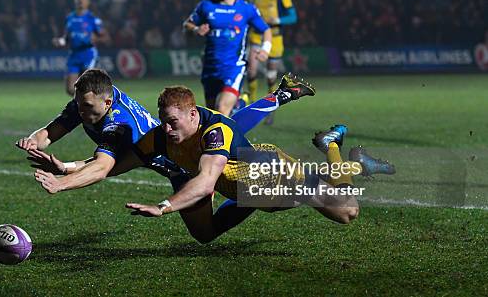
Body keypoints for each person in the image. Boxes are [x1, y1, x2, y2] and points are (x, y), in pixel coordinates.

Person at [125, 86, 395, 244]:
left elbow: (209, 175)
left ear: (193, 114)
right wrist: (89, 165)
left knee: (348, 211)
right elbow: (240, 121)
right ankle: (353, 163)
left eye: (173, 121)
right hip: (254, 183)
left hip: (278, 176)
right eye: (164, 121)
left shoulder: (214, 130)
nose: (167, 128)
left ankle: (332, 146)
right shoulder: (177, 133)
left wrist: (164, 206)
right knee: (212, 224)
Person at [23, 70, 316, 194]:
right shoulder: (92, 100)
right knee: (231, 126)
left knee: (210, 219)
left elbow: (103, 168)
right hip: (168, 152)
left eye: (85, 106)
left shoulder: (118, 124)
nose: (80, 111)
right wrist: (43, 149)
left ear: (107, 101)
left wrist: (63, 180)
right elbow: (52, 133)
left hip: (180, 160)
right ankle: (282, 95)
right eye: (78, 104)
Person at [183, 0, 273, 116]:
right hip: (210, 67)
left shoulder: (246, 9)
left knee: (222, 109)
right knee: (212, 116)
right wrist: (196, 29)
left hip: (233, 66)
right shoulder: (206, 6)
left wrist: (265, 49)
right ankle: (240, 103)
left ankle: (235, 108)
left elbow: (266, 30)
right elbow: (187, 25)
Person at [247, 0, 298, 124]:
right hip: (256, 37)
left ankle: (270, 110)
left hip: (274, 39)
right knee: (251, 70)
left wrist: (277, 20)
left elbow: (293, 17)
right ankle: (251, 106)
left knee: (270, 77)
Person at [52, 0, 109, 96]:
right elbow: (67, 38)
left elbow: (106, 38)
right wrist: (60, 41)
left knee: (87, 87)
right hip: (74, 54)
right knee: (70, 90)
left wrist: (97, 39)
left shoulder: (93, 19)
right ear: (74, 1)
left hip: (88, 54)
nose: (80, 1)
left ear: (88, 2)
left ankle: (99, 104)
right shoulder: (70, 18)